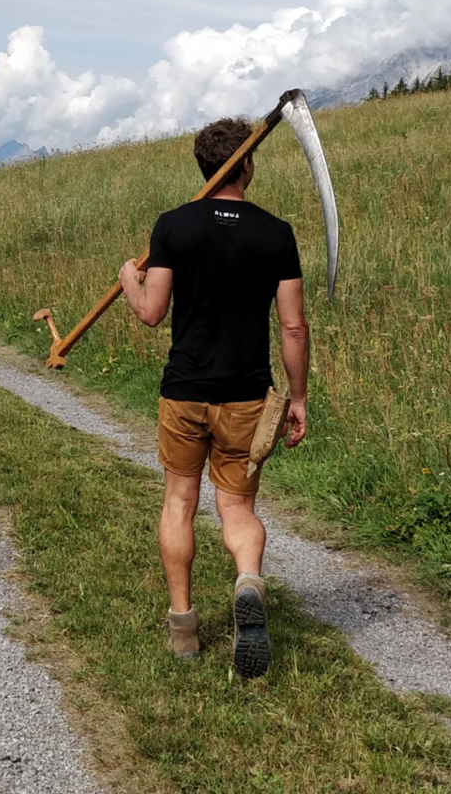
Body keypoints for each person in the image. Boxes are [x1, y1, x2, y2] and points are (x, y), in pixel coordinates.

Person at [117, 117, 310, 679]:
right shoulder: (277, 233)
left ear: (205, 167)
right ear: (246, 164)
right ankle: (247, 578)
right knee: (237, 508)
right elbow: (293, 328)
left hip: (185, 392)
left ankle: (184, 629)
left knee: (180, 501)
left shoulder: (174, 226)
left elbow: (151, 313)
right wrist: (297, 397)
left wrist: (130, 278)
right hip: (247, 396)